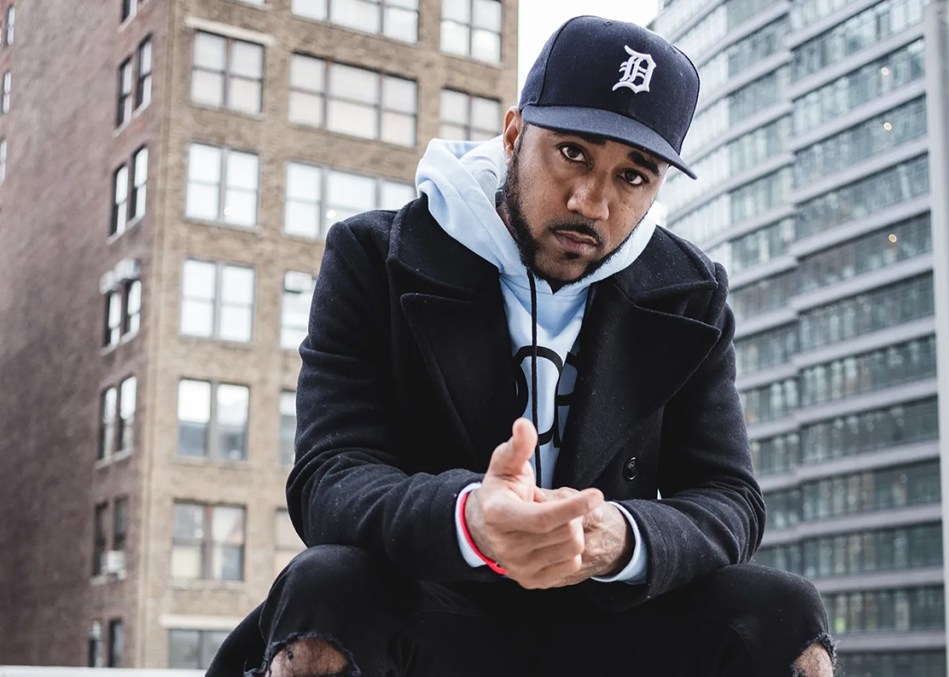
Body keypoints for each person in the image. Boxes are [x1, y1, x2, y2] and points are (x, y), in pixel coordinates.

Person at [209, 15, 834, 677]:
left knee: (785, 613)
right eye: (573, 153)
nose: (591, 202)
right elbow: (329, 477)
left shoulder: (688, 292)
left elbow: (730, 497)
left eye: (632, 176)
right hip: (435, 601)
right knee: (326, 587)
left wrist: (623, 538)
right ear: (514, 135)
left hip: (605, 615)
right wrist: (470, 520)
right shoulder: (376, 256)